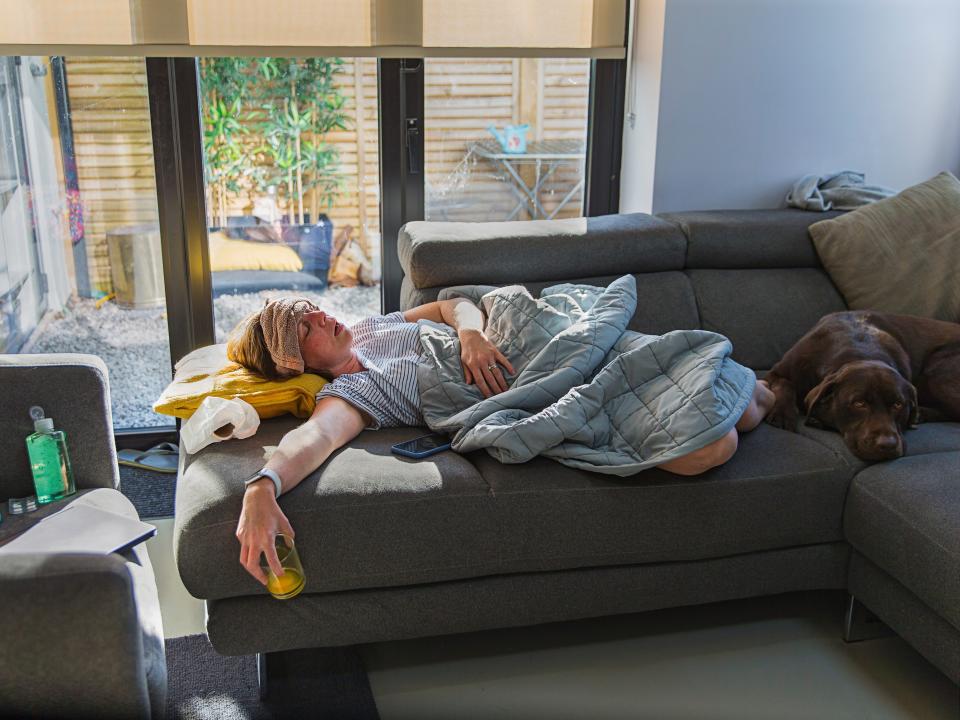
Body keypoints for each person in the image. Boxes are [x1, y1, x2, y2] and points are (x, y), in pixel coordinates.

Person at [227, 296, 775, 586]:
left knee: (744, 412)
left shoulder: (373, 325)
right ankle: (775, 390)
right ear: (295, 364)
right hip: (535, 388)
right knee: (715, 444)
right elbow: (315, 438)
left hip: (526, 338)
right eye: (305, 328)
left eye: (308, 310)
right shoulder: (353, 390)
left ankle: (776, 391)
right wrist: (262, 487)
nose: (319, 315)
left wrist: (470, 335)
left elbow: (454, 303)